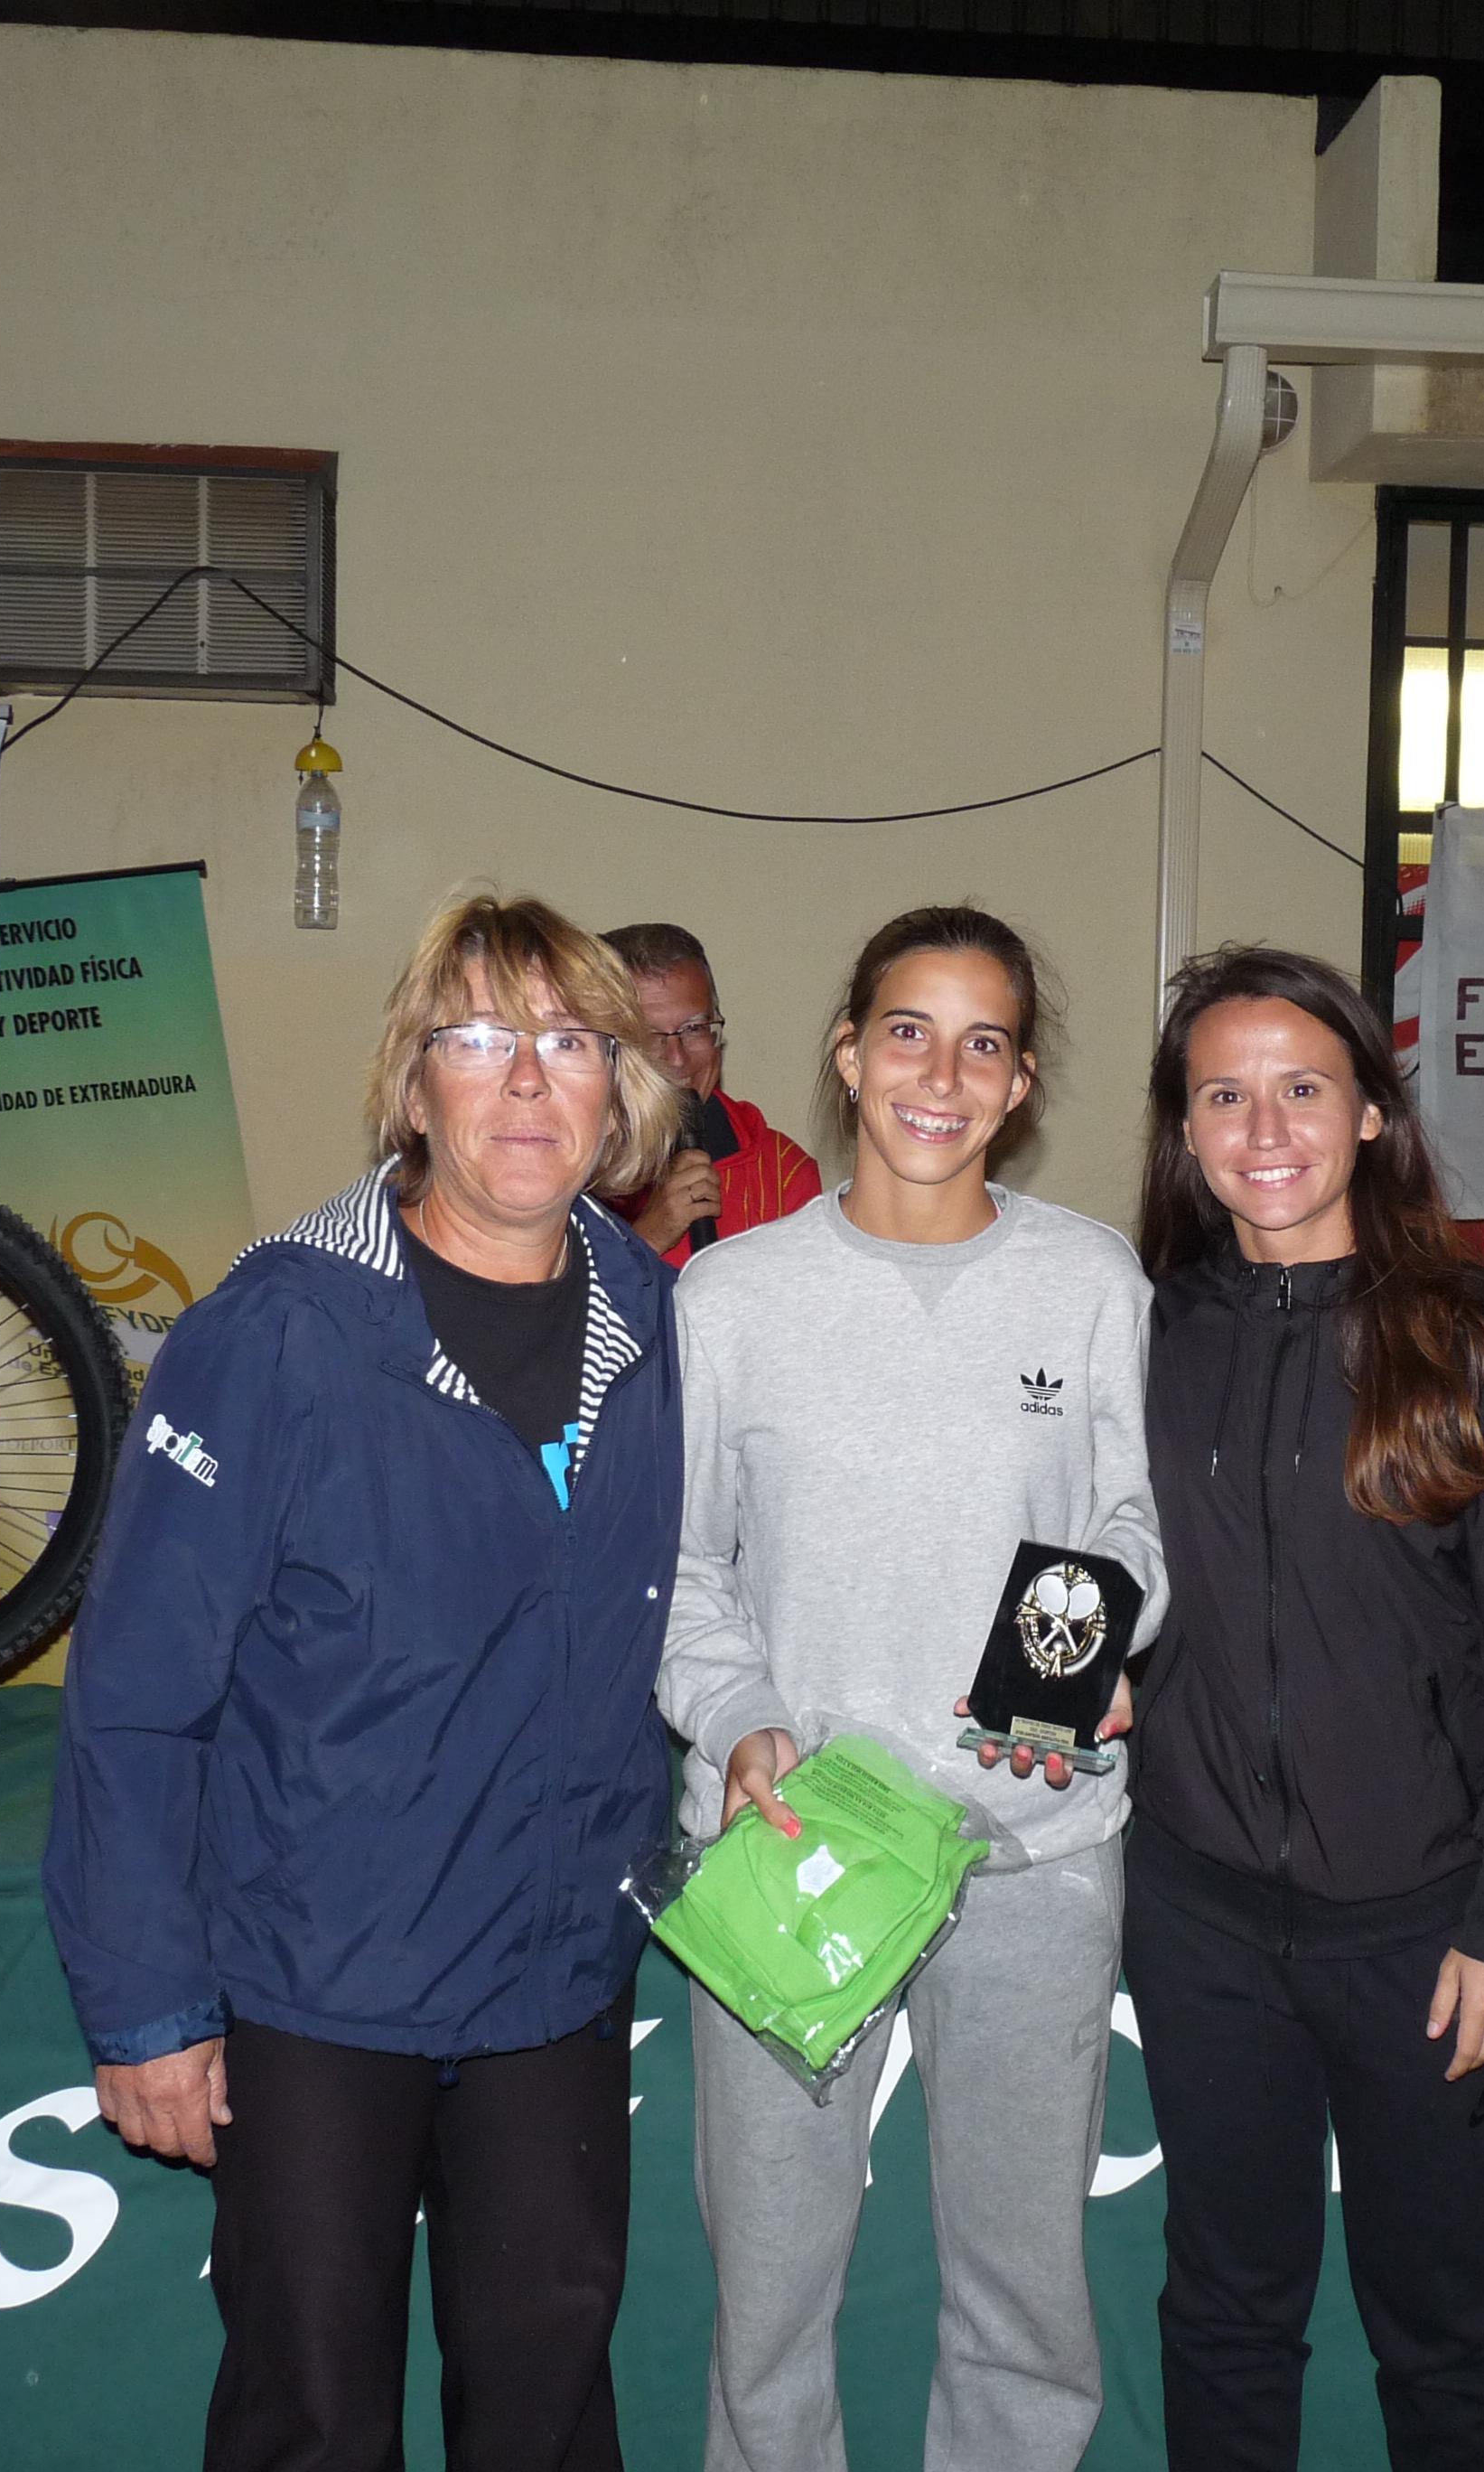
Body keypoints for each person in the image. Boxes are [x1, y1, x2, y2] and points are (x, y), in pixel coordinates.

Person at [43, 893, 687, 2472]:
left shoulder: (659, 1318)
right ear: (413, 1080)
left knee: (547, 2396)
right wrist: (145, 2002)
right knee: (313, 2411)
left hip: (550, 1969)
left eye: (568, 1043)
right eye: (479, 1039)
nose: (526, 1081)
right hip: (319, 1972)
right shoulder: (280, 1330)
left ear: (619, 1094)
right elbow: (138, 1688)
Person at [655, 905, 1162, 2472]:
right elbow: (681, 1571)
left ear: (1020, 1082)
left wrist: (1075, 1669)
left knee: (1024, 2297)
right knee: (767, 2297)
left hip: (1032, 1857)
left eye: (983, 1043)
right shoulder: (729, 1297)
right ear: (847, 1052)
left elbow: (1130, 1524)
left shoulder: (1089, 1279)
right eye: (908, 1033)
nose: (942, 1075)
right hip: (793, 1852)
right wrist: (740, 1723)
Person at [1127, 945, 1484, 2472]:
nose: (1264, 1128)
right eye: (1224, 1095)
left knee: (1444, 2320)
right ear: (1185, 1129)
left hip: (1424, 1928)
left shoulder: (1475, 1332)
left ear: (1367, 1113)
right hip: (1202, 1919)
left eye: (1301, 1087)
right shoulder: (1141, 1334)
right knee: (1224, 2307)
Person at [603, 921, 819, 1265]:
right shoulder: (563, 1169)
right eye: (647, 1036)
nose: (676, 1058)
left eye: (694, 1029)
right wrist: (650, 1237)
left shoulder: (780, 1174)